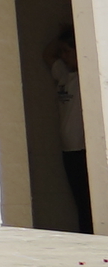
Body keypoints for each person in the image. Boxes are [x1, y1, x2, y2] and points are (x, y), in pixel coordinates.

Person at [49, 26, 91, 235]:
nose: (63, 56)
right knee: (80, 201)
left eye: (67, 51)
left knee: (90, 201)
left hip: (83, 149)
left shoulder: (87, 78)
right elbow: (47, 55)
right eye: (62, 52)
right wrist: (62, 35)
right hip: (68, 151)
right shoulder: (64, 75)